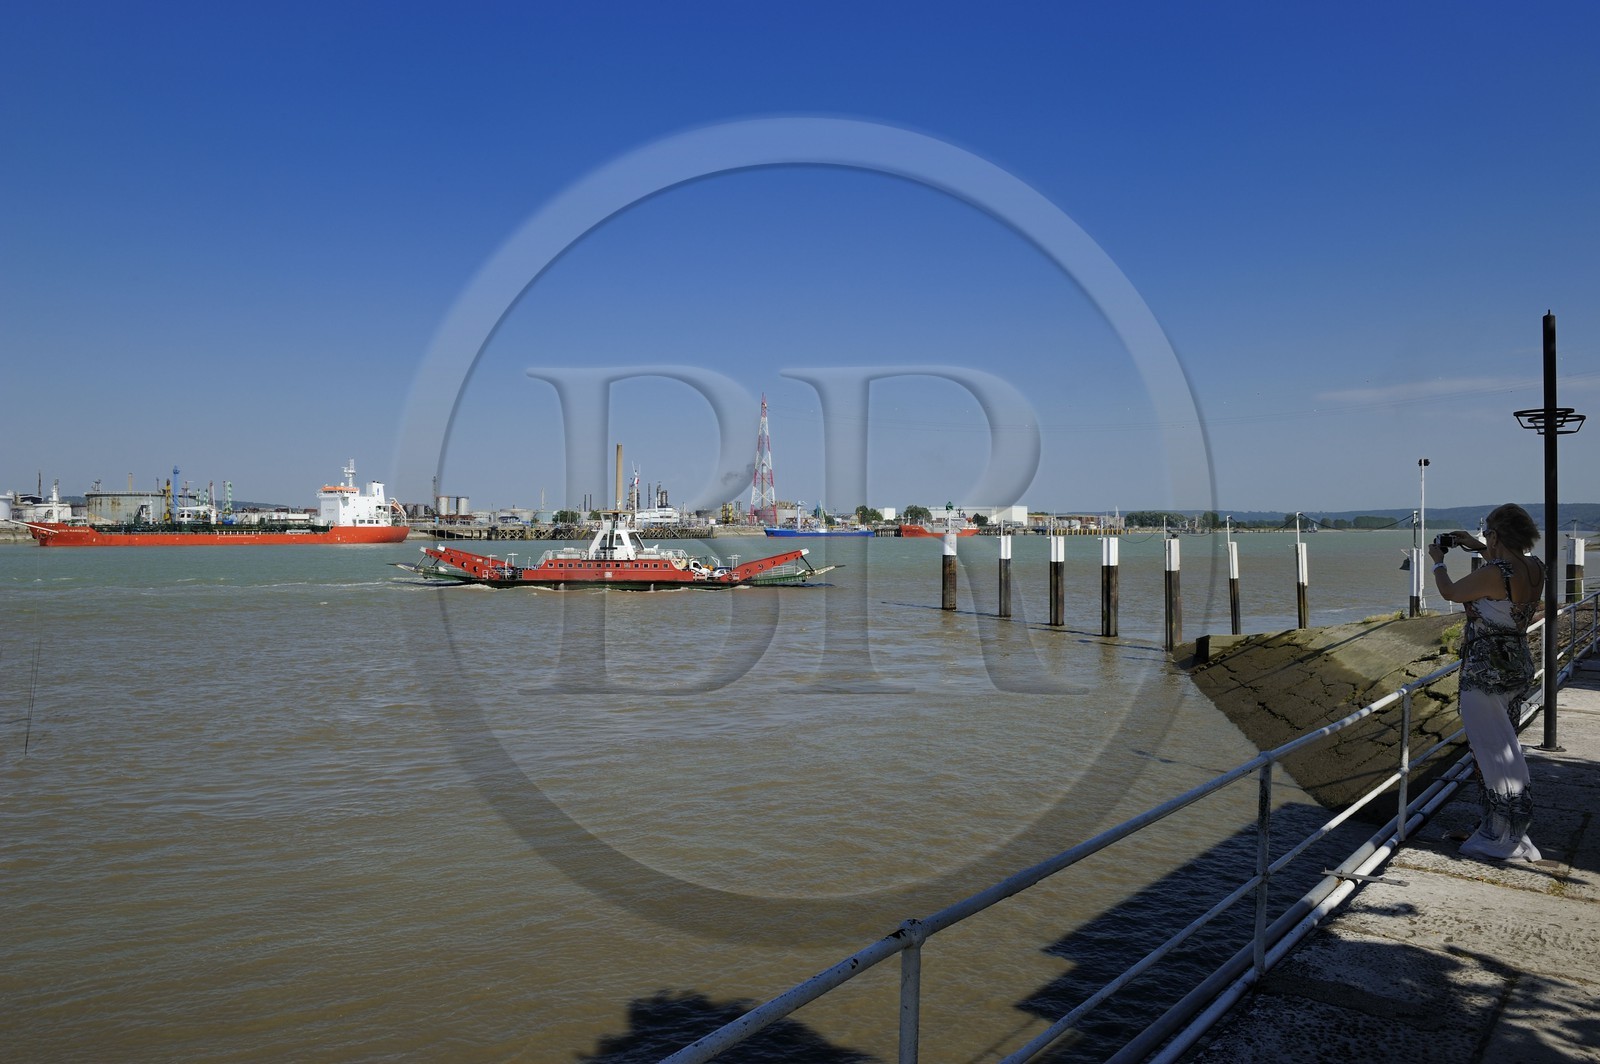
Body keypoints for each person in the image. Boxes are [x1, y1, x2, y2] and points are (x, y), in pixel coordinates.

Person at [1428, 503, 1543, 862]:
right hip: (1517, 665)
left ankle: (1498, 836)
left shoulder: (1495, 571)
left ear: (1495, 535)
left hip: (1486, 670)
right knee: (1506, 747)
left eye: (1488, 533)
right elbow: (1507, 574)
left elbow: (1450, 591)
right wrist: (1477, 546)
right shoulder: (1535, 566)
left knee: (1489, 752)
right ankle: (1509, 827)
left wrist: (1438, 560)